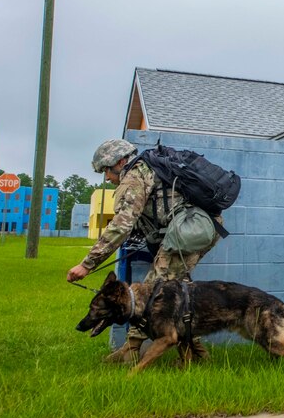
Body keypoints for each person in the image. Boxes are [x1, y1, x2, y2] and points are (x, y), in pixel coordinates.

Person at [67, 139, 219, 363]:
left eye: (106, 171)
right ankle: (196, 354)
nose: (107, 178)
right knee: (181, 296)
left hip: (187, 233)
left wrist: (87, 264)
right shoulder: (146, 169)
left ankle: (132, 348)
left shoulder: (135, 176)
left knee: (152, 293)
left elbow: (121, 225)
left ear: (119, 162)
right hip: (193, 231)